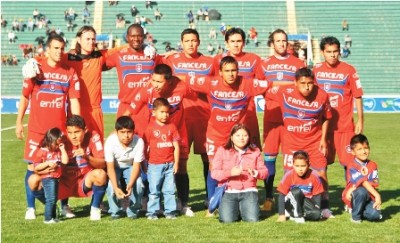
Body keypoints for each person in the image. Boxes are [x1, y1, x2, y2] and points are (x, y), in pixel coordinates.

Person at [188, 56, 270, 216]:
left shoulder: (247, 83)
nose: (231, 74)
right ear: (220, 72)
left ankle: (241, 197)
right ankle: (212, 205)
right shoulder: (209, 83)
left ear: (238, 71)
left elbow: (272, 84)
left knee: (238, 167)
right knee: (213, 168)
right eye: (227, 71)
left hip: (237, 137)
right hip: (215, 134)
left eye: (234, 70)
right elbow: (183, 78)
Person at [16, 34, 80, 220]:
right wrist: (19, 122)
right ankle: (31, 207)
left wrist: (75, 125)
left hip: (59, 131)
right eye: (55, 48)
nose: (59, 52)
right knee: (32, 167)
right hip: (37, 129)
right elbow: (25, 96)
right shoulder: (35, 68)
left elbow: (74, 100)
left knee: (62, 168)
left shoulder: (69, 72)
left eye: (61, 48)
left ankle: (64, 205)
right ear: (47, 49)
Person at [265, 67, 334, 219]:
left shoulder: (322, 95)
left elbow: (327, 117)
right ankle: (290, 206)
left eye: (310, 83)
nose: (307, 87)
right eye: (302, 83)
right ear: (295, 83)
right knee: (290, 175)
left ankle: (324, 208)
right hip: (291, 142)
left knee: (321, 174)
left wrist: (323, 139)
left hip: (314, 141)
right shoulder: (284, 92)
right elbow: (264, 88)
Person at [127, 64, 193, 217]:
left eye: (159, 82)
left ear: (169, 81)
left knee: (180, 167)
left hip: (178, 135)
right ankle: (147, 202)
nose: (155, 84)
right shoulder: (147, 90)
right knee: (151, 168)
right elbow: (130, 111)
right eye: (153, 80)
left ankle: (183, 204)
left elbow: (197, 95)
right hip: (156, 138)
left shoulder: (181, 87)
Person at [255, 29, 306, 212]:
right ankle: (269, 197)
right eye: (278, 41)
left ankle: (290, 197)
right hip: (271, 117)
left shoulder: (298, 63)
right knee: (269, 158)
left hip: (292, 119)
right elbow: (257, 87)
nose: (282, 44)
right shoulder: (264, 64)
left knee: (290, 160)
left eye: (284, 40)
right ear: (272, 43)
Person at [164, 29, 215, 205]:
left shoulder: (210, 62)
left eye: (194, 40)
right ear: (181, 42)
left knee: (208, 158)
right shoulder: (172, 60)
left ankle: (211, 197)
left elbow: (215, 84)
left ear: (199, 42)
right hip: (181, 119)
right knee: (181, 160)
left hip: (204, 117)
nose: (191, 44)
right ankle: (182, 200)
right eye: (187, 41)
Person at [313, 36, 364, 172]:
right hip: (322, 127)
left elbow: (357, 95)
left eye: (335, 51)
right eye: (329, 52)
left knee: (349, 164)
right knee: (320, 163)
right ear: (322, 52)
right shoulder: (316, 71)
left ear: (339, 51)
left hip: (344, 127)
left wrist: (360, 120)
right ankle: (322, 193)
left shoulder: (349, 70)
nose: (332, 55)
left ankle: (350, 193)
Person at [106, 24, 162, 138]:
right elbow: (100, 64)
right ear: (127, 37)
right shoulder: (119, 55)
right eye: (133, 36)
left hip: (146, 108)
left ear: (144, 37)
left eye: (139, 36)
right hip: (126, 106)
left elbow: (167, 66)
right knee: (123, 147)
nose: (136, 39)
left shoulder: (152, 55)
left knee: (147, 146)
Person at [213, 27, 262, 149]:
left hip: (248, 112)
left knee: (250, 150)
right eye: (232, 41)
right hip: (224, 113)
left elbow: (261, 83)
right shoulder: (218, 60)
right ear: (226, 43)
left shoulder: (254, 59)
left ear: (244, 43)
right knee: (223, 152)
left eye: (239, 41)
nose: (236, 45)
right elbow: (212, 83)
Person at [211, 124, 268, 223]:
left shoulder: (255, 151)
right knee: (227, 220)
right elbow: (214, 173)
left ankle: (244, 208)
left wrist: (256, 173)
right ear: (232, 137)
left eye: (245, 135)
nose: (241, 138)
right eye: (238, 135)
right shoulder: (222, 150)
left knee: (252, 219)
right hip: (228, 191)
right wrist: (230, 173)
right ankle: (229, 208)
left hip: (249, 191)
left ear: (249, 137)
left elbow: (265, 172)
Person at [58, 115, 107, 220]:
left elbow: (103, 164)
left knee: (100, 174)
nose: (73, 136)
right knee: (37, 181)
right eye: (70, 132)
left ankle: (95, 207)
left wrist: (86, 156)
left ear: (85, 130)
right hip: (65, 182)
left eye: (76, 132)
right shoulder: (61, 139)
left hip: (84, 181)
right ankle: (62, 206)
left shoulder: (94, 137)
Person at [144, 98, 180, 220]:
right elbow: (145, 146)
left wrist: (176, 163)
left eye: (167, 112)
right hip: (154, 165)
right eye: (162, 112)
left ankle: (170, 212)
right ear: (154, 112)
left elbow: (176, 145)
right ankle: (152, 212)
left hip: (169, 164)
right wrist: (146, 163)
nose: (165, 115)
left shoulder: (172, 127)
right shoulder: (150, 128)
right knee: (154, 190)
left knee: (169, 190)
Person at [105, 116, 145, 219]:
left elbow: (136, 166)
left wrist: (130, 184)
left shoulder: (139, 141)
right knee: (110, 187)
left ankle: (133, 210)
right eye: (122, 132)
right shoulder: (110, 142)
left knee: (139, 184)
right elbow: (110, 168)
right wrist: (116, 187)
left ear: (133, 131)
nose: (126, 136)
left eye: (129, 132)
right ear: (116, 132)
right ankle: (115, 212)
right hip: (115, 167)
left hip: (130, 165)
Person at [28, 128, 69, 223]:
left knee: (53, 198)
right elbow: (36, 167)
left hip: (56, 178)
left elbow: (65, 161)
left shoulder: (58, 151)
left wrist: (63, 149)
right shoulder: (42, 151)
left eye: (59, 144)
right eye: (56, 144)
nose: (57, 146)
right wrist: (47, 164)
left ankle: (54, 217)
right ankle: (48, 218)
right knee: (50, 199)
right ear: (50, 140)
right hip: (48, 178)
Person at [342, 134, 382, 223]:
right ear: (353, 152)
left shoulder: (373, 165)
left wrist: (374, 197)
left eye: (366, 148)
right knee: (361, 191)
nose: (363, 151)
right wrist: (377, 195)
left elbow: (374, 182)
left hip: (368, 196)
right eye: (359, 149)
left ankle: (358, 210)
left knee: (374, 215)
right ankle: (355, 217)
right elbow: (363, 182)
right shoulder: (352, 165)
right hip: (354, 195)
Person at [276, 150, 324, 223]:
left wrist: (317, 209)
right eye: (297, 166)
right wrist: (281, 215)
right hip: (291, 202)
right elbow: (281, 195)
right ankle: (298, 216)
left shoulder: (314, 176)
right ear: (293, 165)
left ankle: (293, 214)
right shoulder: (289, 175)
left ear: (309, 165)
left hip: (305, 201)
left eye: (303, 166)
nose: (300, 169)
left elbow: (317, 195)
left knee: (317, 214)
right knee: (296, 191)